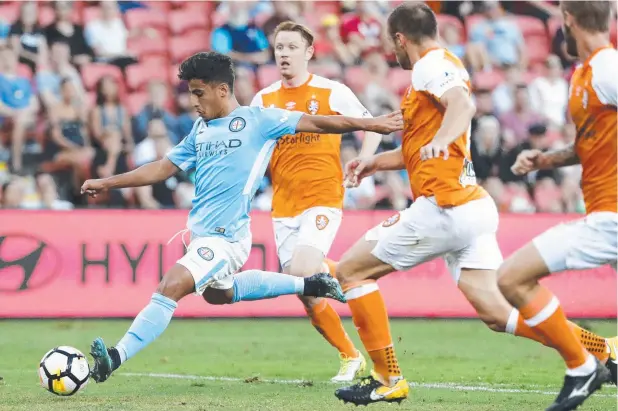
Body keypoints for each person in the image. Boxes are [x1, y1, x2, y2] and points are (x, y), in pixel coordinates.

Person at [331, 3, 616, 406]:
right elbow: (420, 148)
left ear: (400, 38)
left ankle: (386, 376)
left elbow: (463, 106)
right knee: (498, 313)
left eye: (388, 42)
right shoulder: (433, 72)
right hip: (470, 207)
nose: (388, 50)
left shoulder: (430, 64)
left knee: (351, 272)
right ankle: (601, 349)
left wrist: (443, 137)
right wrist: (374, 162)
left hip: (443, 208)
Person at [80, 51, 403, 383]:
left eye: (198, 92)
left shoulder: (258, 120)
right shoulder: (200, 130)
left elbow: (318, 122)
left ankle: (115, 359)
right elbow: (162, 167)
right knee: (219, 293)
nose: (193, 101)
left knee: (169, 286)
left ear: (222, 90)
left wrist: (370, 124)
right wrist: (108, 182)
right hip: (201, 236)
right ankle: (308, 283)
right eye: (191, 93)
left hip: (227, 237)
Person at [497, 2, 617, 410]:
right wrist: (546, 159)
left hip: (611, 217)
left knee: (512, 277)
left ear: (567, 20)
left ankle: (582, 365)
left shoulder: (606, 68)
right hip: (604, 213)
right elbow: (593, 146)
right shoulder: (586, 73)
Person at [250, 21, 383, 382]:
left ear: (309, 52)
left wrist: (365, 162)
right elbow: (252, 149)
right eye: (279, 47)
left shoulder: (331, 91)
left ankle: (344, 274)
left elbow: (370, 125)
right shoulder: (263, 100)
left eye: (292, 47)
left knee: (301, 271)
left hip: (323, 196)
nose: (283, 54)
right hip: (284, 205)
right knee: (307, 294)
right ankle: (349, 353)